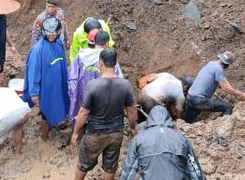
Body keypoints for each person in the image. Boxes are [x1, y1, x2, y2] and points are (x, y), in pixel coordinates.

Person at [71, 48, 137, 180]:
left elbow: (83, 113)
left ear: (100, 63)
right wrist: (133, 127)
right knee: (110, 166)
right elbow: (131, 110)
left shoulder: (93, 86)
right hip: (115, 133)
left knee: (83, 164)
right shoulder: (125, 85)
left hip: (95, 133)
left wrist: (76, 133)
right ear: (115, 62)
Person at [120, 105, 205, 180]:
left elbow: (129, 169)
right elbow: (194, 170)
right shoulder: (181, 139)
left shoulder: (139, 139)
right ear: (168, 118)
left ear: (150, 119)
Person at [22, 16, 70, 140]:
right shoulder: (38, 50)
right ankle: (44, 136)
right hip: (46, 88)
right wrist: (34, 92)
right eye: (49, 34)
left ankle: (54, 123)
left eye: (54, 34)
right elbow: (33, 73)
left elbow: (62, 62)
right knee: (46, 111)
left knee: (58, 104)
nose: (51, 36)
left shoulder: (59, 43)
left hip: (58, 86)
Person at [68, 30, 122, 125]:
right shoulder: (109, 58)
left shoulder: (81, 56)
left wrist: (73, 96)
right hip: (103, 100)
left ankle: (78, 132)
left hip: (83, 96)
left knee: (82, 118)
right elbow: (119, 79)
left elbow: (72, 77)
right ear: (106, 43)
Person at [184, 52, 245, 123]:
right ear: (227, 64)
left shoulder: (211, 63)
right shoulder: (219, 69)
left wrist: (236, 94)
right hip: (199, 100)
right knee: (227, 107)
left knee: (188, 122)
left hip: (190, 97)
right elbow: (225, 87)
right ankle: (222, 127)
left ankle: (184, 128)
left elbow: (224, 82)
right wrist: (242, 95)